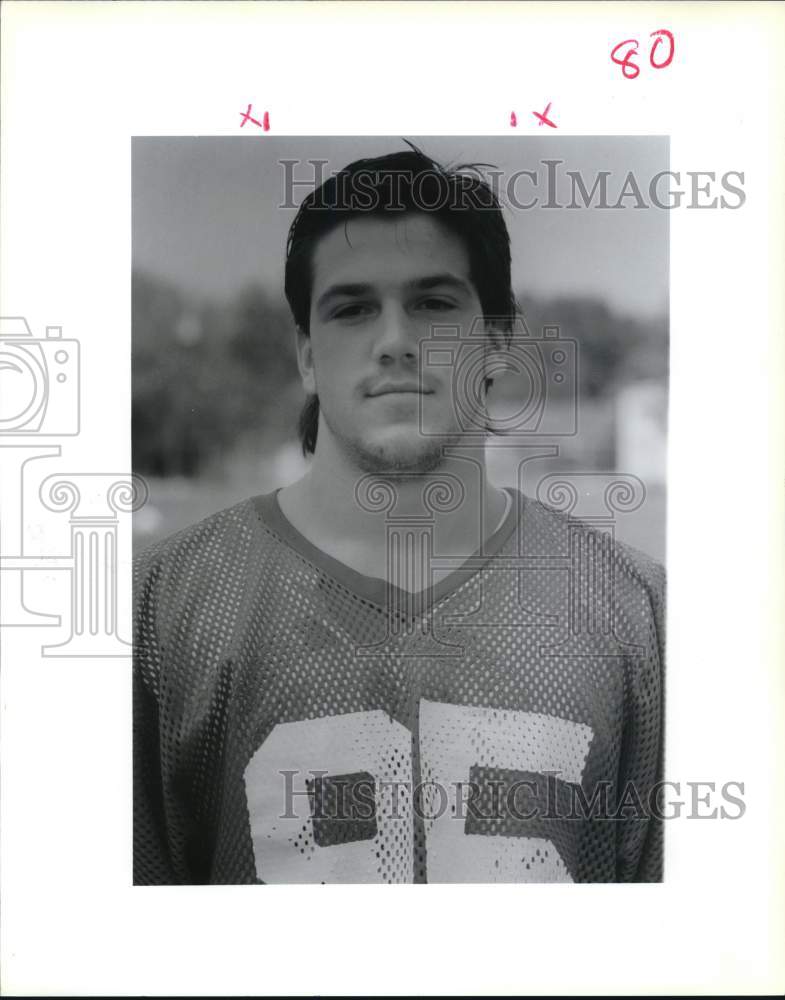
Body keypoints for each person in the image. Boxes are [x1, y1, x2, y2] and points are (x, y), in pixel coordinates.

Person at [133, 145, 665, 885]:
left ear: (499, 341)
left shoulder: (636, 613)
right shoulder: (159, 611)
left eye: (433, 303)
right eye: (352, 309)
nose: (393, 342)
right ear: (307, 355)